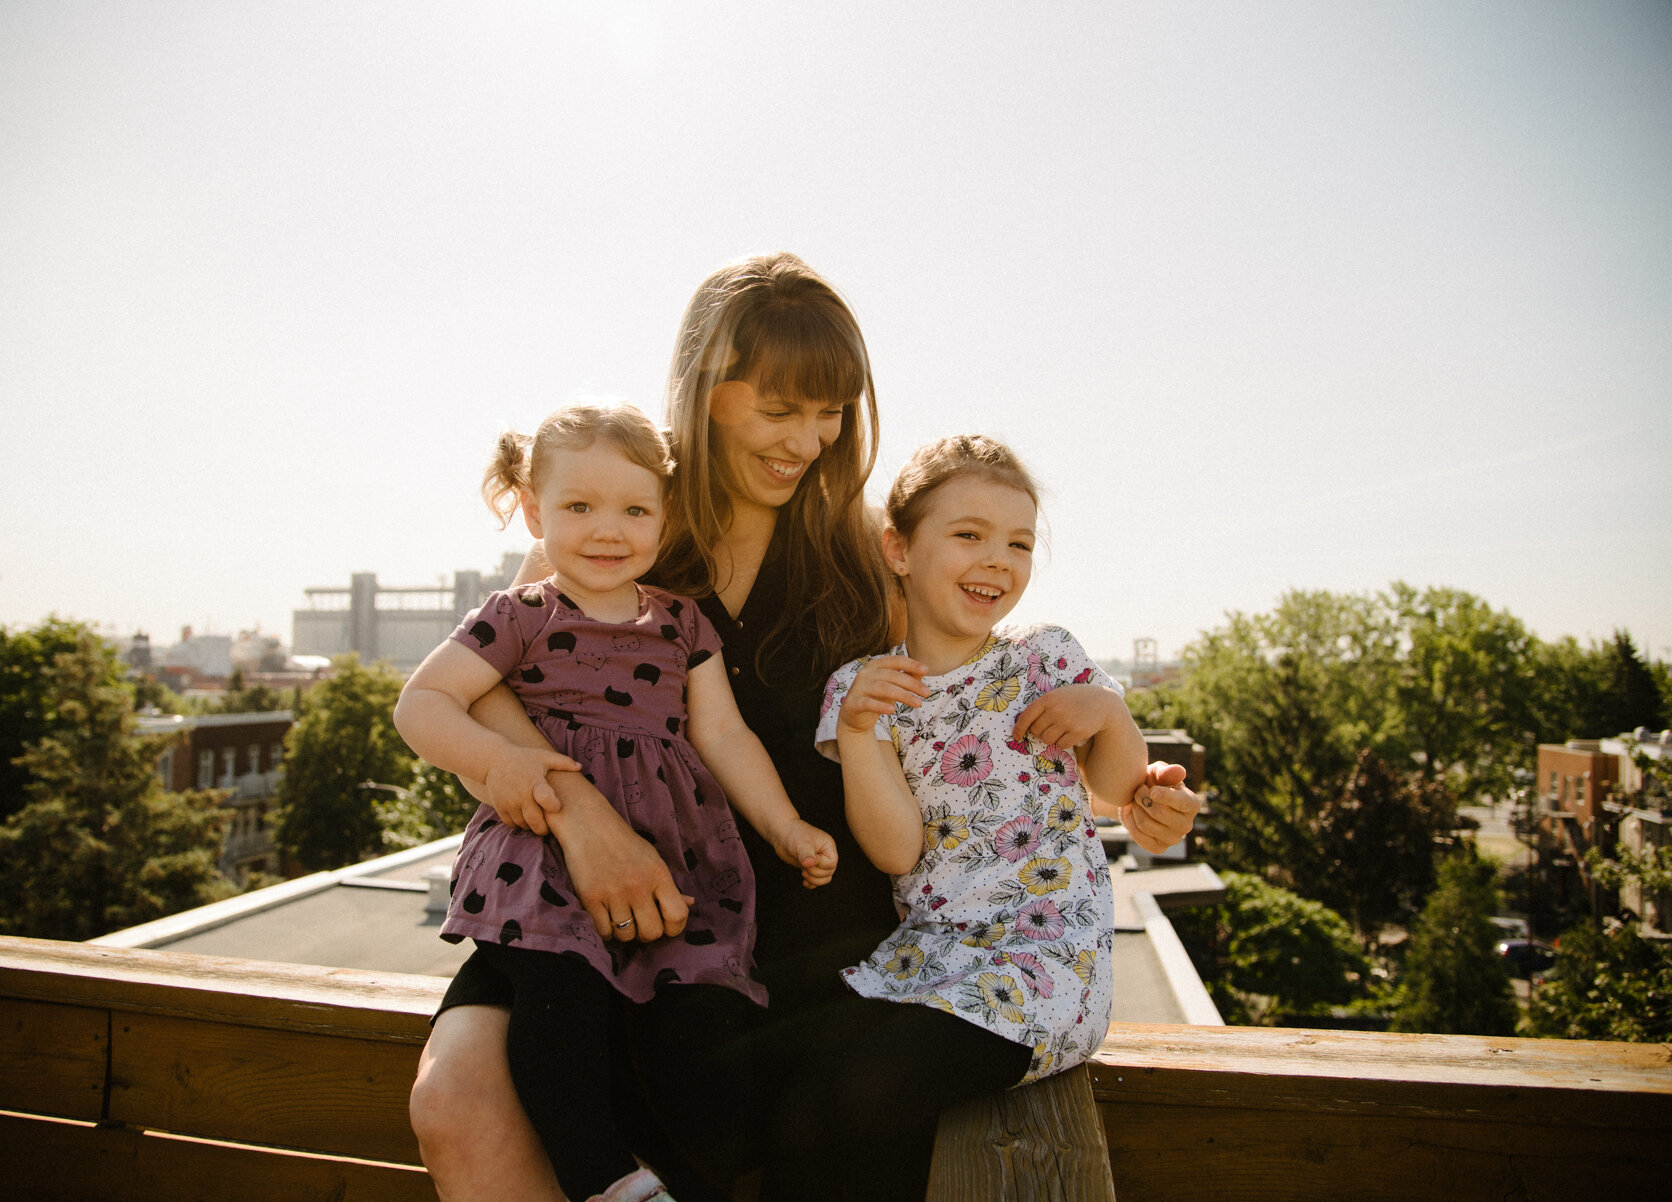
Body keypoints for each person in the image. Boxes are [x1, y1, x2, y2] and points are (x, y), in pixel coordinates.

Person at [406, 253, 1203, 1202]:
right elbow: (482, 695)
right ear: (706, 392)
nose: (808, 441)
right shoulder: (619, 520)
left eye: (829, 411)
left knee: (749, 1121)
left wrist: (1120, 764)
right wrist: (581, 818)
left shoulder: (860, 555)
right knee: (457, 1098)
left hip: (789, 938)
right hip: (582, 905)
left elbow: (974, 690)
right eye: (779, 410)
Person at [393, 402, 838, 1202]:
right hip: (542, 860)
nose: (608, 529)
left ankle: (668, 1177)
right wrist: (503, 768)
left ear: (668, 515)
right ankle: (606, 1180)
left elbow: (725, 737)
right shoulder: (517, 617)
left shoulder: (680, 623)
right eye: (578, 508)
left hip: (670, 864)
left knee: (691, 1032)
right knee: (557, 1006)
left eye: (635, 510)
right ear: (534, 512)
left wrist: (784, 826)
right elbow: (421, 705)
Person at [788, 434, 1144, 1199]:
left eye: (1018, 542)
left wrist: (1110, 716)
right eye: (969, 534)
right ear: (899, 549)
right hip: (928, 961)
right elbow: (895, 849)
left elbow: (1116, 788)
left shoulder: (1043, 657)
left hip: (1045, 967)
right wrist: (857, 734)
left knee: (875, 1082)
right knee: (804, 1079)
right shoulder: (864, 686)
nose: (998, 560)